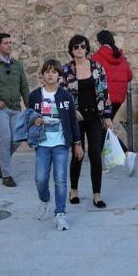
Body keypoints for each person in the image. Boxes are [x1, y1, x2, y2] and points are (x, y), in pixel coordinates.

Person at [28, 59, 83, 231]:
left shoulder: (65, 96)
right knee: (40, 178)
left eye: (54, 72)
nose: (50, 74)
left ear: (59, 76)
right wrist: (34, 120)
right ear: (43, 75)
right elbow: (29, 117)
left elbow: (73, 121)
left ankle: (60, 213)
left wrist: (77, 143)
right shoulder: (35, 95)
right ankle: (44, 199)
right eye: (47, 71)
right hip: (42, 144)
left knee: (60, 179)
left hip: (61, 143)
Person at [60, 35, 113, 208]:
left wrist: (107, 116)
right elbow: (61, 95)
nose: (79, 49)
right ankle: (73, 190)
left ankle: (97, 194)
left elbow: (104, 92)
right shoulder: (66, 70)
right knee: (77, 155)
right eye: (75, 47)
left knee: (95, 154)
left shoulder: (97, 67)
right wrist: (71, 111)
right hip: (75, 118)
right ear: (71, 50)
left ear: (87, 48)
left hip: (94, 117)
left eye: (82, 46)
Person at [0, 33, 30, 187]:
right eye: (6, 43)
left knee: (18, 137)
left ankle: (0, 159)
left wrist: (30, 108)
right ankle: (6, 175)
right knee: (5, 136)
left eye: (10, 43)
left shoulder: (17, 65)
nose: (9, 45)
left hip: (15, 107)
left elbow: (24, 87)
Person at [91, 29, 137, 176]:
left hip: (104, 99)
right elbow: (129, 76)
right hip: (118, 98)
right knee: (104, 128)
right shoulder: (120, 56)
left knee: (103, 128)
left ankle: (126, 154)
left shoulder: (97, 57)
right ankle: (108, 161)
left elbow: (92, 77)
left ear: (99, 42)